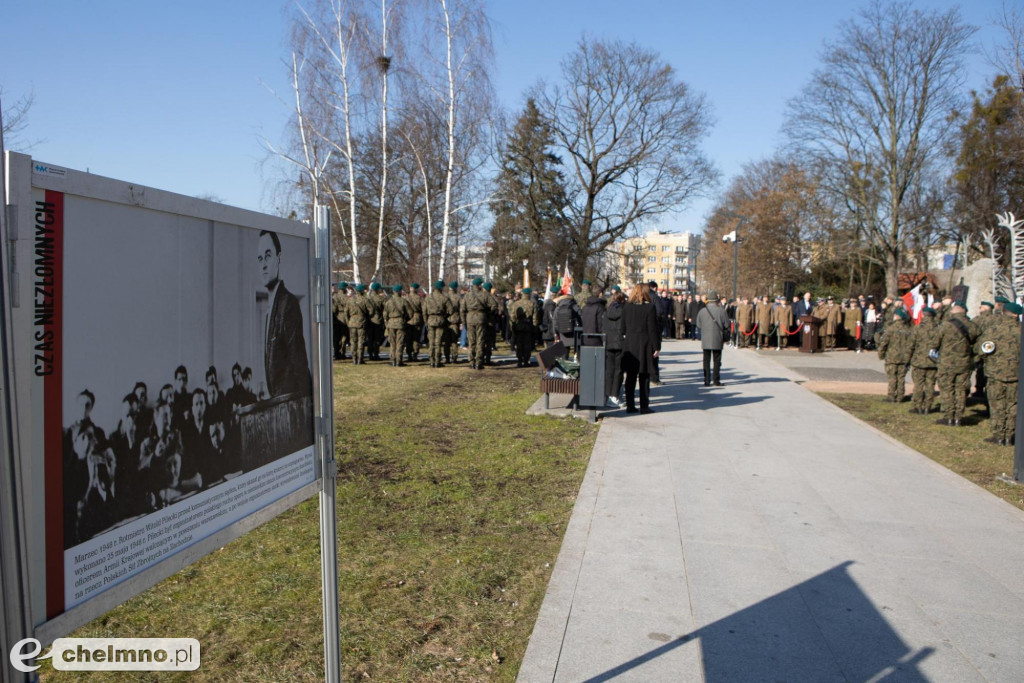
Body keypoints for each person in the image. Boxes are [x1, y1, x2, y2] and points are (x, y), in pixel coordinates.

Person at [257, 230, 312, 396]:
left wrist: (306, 401)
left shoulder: (287, 304)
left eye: (268, 256)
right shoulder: (272, 307)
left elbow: (298, 361)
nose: (264, 264)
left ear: (278, 257)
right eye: (260, 258)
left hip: (291, 399)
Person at [978, 302, 1021, 445]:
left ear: (1003, 313)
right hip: (1016, 375)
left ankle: (999, 435)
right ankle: (1009, 435)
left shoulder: (993, 330)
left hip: (995, 374)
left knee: (996, 405)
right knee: (1013, 405)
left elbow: (982, 350)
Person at [932, 300, 978, 426]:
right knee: (961, 390)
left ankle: (948, 416)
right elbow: (977, 345)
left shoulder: (945, 325)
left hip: (947, 363)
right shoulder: (973, 326)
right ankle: (958, 418)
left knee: (947, 389)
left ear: (955, 310)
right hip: (964, 363)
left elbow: (934, 343)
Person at [621, 283, 661, 414]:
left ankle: (630, 405)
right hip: (645, 344)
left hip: (630, 343)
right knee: (644, 376)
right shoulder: (650, 308)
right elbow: (652, 329)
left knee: (630, 376)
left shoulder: (627, 307)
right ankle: (644, 406)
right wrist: (656, 347)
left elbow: (622, 328)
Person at [907, 307, 939, 414]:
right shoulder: (938, 329)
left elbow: (910, 345)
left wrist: (907, 360)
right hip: (933, 361)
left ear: (923, 315)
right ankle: (928, 407)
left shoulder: (917, 328)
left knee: (918, 384)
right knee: (930, 384)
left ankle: (918, 406)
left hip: (919, 361)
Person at [877, 308, 913, 402]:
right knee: (901, 377)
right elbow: (911, 345)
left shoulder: (891, 328)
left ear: (897, 316)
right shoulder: (908, 329)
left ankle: (891, 396)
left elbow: (884, 343)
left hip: (892, 357)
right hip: (904, 358)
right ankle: (900, 396)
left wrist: (881, 354)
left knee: (892, 377)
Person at [696, 291, 730, 386]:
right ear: (716, 301)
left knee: (706, 360)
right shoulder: (721, 311)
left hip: (706, 339)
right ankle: (716, 380)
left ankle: (706, 380)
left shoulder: (702, 311)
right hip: (718, 338)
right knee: (717, 360)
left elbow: (698, 325)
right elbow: (727, 325)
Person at [603, 290, 626, 407]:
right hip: (620, 343)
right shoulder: (623, 310)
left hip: (608, 343)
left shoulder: (607, 310)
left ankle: (607, 396)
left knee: (609, 370)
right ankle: (614, 395)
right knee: (618, 371)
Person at [461, 278, 490, 369]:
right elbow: (493, 305)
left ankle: (471, 361)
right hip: (481, 317)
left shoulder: (467, 295)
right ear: (480, 285)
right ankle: (479, 362)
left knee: (471, 341)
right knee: (480, 340)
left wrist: (463, 321)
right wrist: (487, 314)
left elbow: (462, 309)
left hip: (470, 318)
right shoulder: (485, 295)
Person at [424, 281, 454, 368]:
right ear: (441, 288)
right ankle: (437, 361)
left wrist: (426, 321)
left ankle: (431, 361)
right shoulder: (444, 298)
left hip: (430, 320)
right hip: (440, 320)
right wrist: (444, 316)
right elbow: (451, 310)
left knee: (431, 342)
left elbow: (424, 311)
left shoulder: (428, 298)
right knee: (438, 342)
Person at [510, 287, 540, 367]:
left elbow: (512, 316)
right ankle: (526, 361)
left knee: (519, 344)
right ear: (529, 294)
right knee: (527, 344)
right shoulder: (532, 304)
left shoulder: (516, 304)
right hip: (528, 326)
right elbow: (535, 318)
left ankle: (519, 360)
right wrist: (535, 328)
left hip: (518, 326)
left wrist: (513, 326)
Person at [384, 284, 411, 367]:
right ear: (400, 291)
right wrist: (404, 319)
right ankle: (399, 360)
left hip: (391, 323)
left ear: (393, 291)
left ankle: (393, 360)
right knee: (400, 342)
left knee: (392, 343)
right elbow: (410, 313)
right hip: (400, 323)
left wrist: (387, 323)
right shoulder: (404, 301)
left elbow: (385, 315)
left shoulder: (388, 302)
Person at [405, 283, 424, 363]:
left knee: (408, 338)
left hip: (408, 320)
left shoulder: (405, 298)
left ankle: (409, 355)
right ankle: (415, 354)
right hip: (417, 318)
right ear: (416, 289)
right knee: (416, 338)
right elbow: (424, 309)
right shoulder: (419, 298)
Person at [446, 281, 463, 364]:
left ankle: (447, 358)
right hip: (455, 320)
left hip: (446, 321)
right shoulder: (458, 297)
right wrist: (462, 322)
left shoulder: (445, 296)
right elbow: (461, 310)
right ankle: (454, 358)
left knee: (446, 341)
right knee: (454, 341)